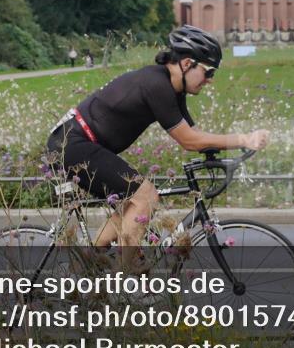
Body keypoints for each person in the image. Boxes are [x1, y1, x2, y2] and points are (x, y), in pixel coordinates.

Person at [46, 25, 269, 254]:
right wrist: (243, 139)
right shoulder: (156, 85)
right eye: (208, 71)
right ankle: (126, 278)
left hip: (78, 144)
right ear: (186, 63)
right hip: (72, 144)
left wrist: (216, 154)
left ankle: (94, 259)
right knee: (146, 196)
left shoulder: (173, 88)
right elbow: (190, 141)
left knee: (130, 204)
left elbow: (196, 135)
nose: (210, 80)